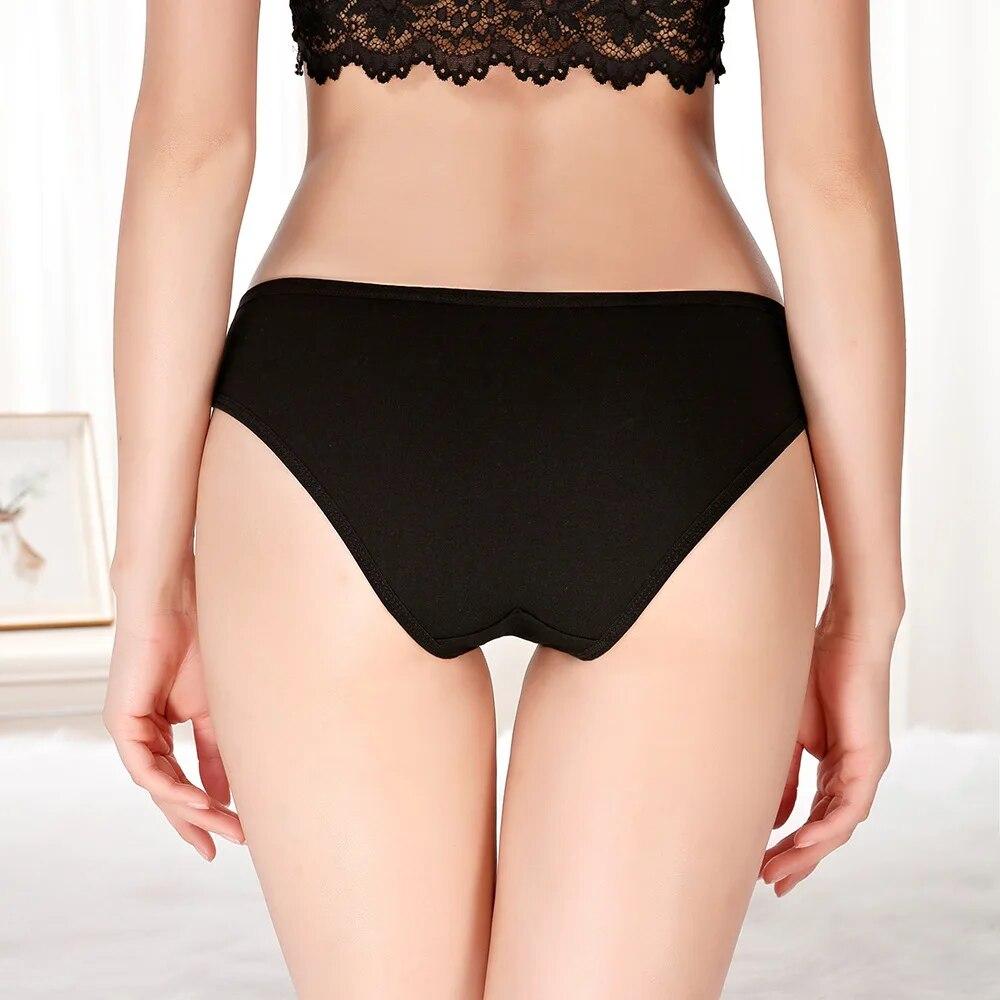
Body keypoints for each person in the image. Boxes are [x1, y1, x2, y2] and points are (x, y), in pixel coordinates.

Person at [103, 1, 905, 996]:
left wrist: (148, 589)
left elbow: (193, 149)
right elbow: (828, 174)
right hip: (677, 400)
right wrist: (864, 610)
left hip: (338, 388)